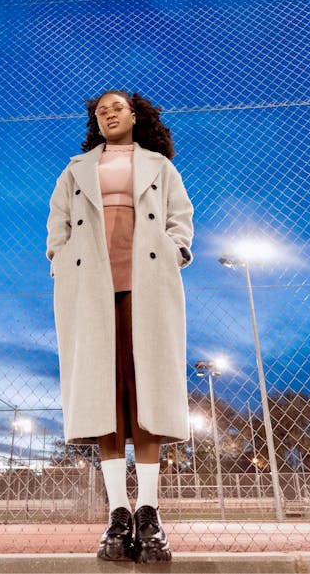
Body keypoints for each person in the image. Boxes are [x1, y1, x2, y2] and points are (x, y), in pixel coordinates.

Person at [46, 90, 193, 563]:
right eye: (100, 110)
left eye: (116, 108)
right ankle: (117, 514)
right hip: (89, 285)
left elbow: (180, 217)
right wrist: (60, 258)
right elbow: (58, 223)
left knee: (145, 390)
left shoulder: (160, 166)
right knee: (101, 395)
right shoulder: (75, 169)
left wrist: (175, 250)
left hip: (147, 282)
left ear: (136, 115)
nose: (108, 114)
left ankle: (148, 514)